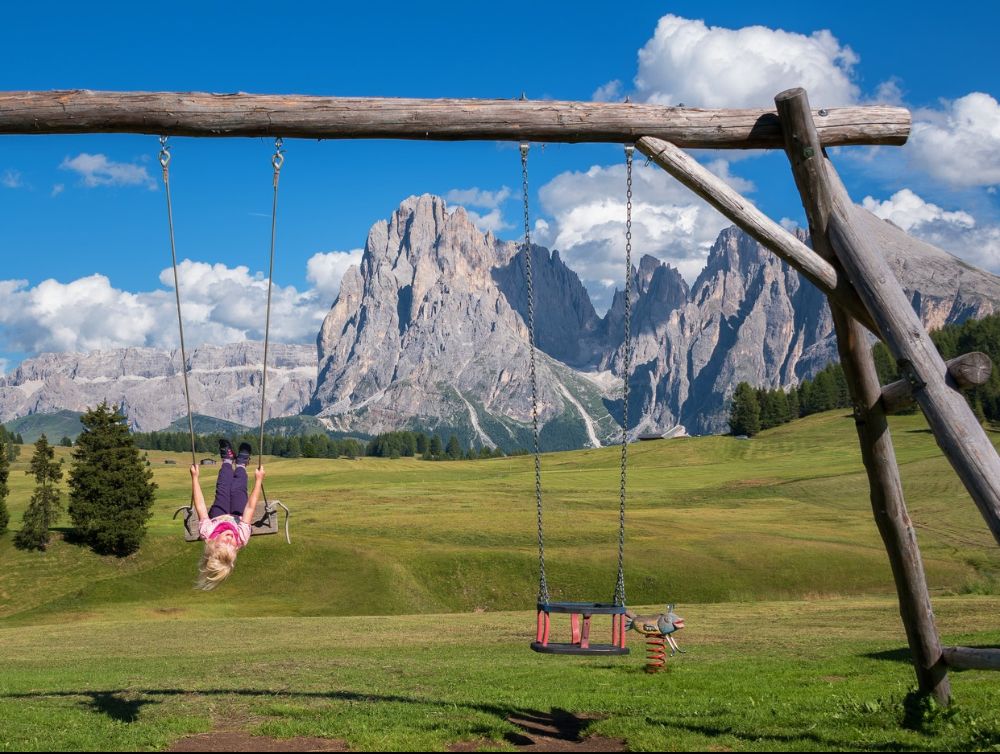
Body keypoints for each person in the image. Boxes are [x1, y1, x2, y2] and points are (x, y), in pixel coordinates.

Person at [190, 439, 265, 590]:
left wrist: (195, 478)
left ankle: (227, 460)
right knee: (238, 489)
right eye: (233, 546)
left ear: (212, 544)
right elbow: (250, 508)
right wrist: (258, 481)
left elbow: (200, 506)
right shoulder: (241, 537)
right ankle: (242, 464)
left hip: (218, 515)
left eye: (225, 543)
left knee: (223, 486)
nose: (230, 539)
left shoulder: (208, 532)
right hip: (238, 516)